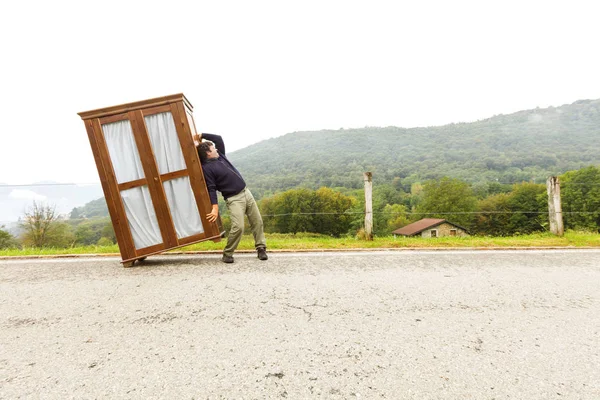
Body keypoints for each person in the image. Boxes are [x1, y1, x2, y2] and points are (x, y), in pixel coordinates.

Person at [196, 133, 267, 263]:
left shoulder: (221, 156)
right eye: (213, 149)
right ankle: (228, 253)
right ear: (208, 153)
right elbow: (211, 188)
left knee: (257, 221)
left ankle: (261, 248)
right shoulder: (206, 169)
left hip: (246, 192)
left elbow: (218, 139)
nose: (216, 149)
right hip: (234, 199)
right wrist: (215, 208)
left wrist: (202, 135)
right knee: (238, 227)